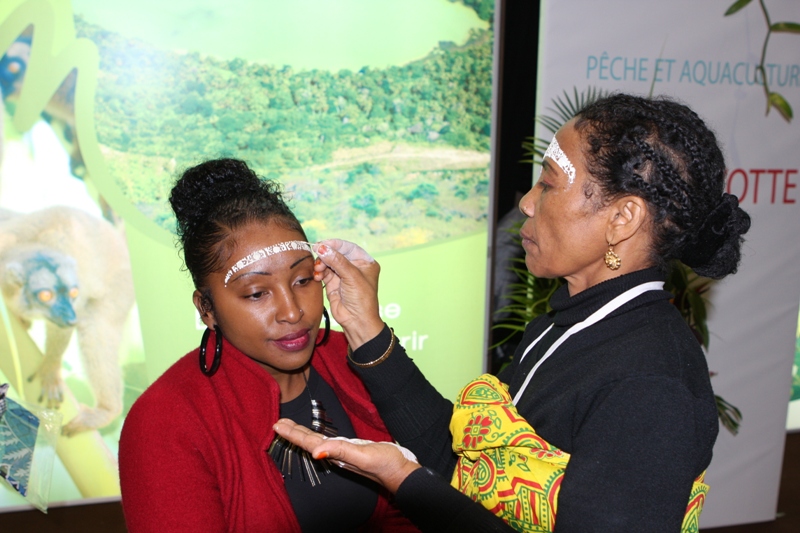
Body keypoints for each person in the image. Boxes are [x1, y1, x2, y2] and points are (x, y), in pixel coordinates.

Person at [274, 93, 752, 532]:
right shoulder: (568, 325)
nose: (526, 202)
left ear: (621, 219)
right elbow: (469, 467)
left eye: (549, 183)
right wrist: (364, 326)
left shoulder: (651, 384)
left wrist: (405, 481)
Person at [118, 158, 419, 533]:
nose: (293, 312)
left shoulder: (351, 357)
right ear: (206, 309)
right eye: (257, 293)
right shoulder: (164, 423)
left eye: (303, 280)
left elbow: (418, 500)